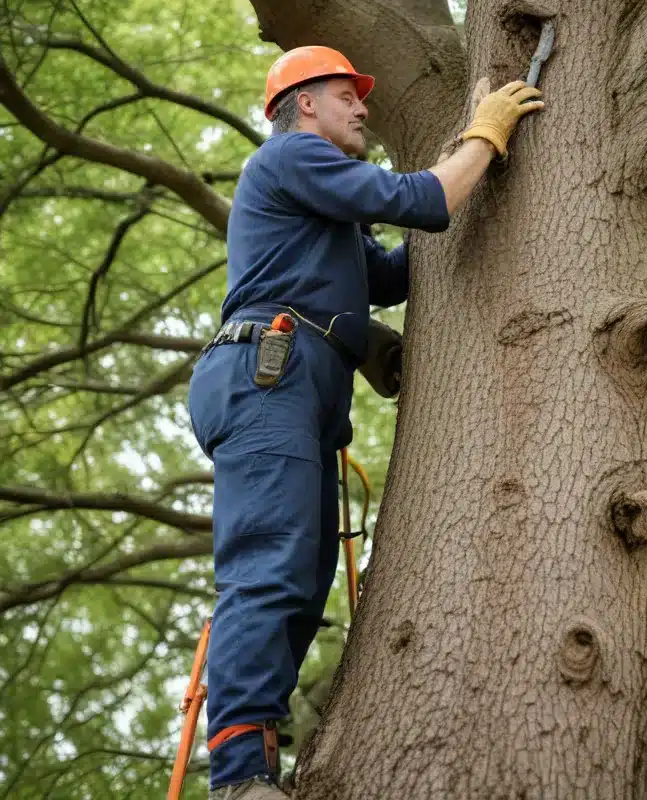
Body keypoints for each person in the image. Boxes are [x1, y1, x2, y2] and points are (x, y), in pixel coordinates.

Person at [187, 46, 543, 799]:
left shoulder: (329, 214)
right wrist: (482, 135)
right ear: (304, 105)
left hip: (296, 386)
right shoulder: (290, 158)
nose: (363, 107)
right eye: (346, 94)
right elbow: (422, 203)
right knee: (271, 567)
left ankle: (257, 753)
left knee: (304, 580)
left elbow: (399, 266)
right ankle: (239, 777)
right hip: (267, 376)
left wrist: (470, 162)